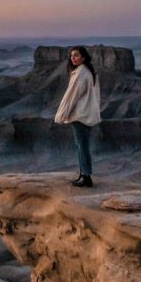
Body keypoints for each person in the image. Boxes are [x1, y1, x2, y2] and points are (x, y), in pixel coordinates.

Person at [54, 45, 101, 187]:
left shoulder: (81, 74)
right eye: (71, 55)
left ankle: (86, 177)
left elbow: (71, 97)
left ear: (83, 57)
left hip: (80, 115)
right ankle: (84, 175)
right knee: (82, 145)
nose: (72, 58)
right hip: (86, 114)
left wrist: (61, 115)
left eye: (76, 55)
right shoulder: (88, 72)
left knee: (82, 146)